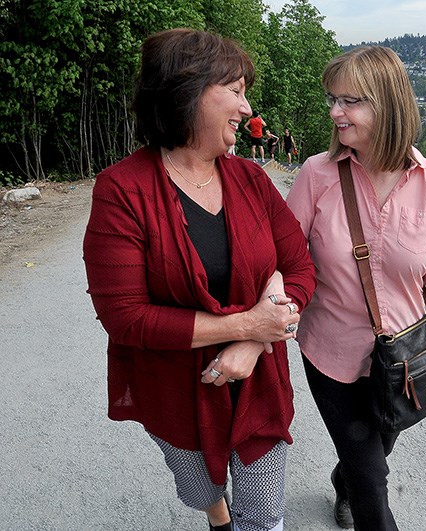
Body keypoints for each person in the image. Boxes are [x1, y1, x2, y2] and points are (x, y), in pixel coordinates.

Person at [82, 28, 316, 531]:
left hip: (259, 384)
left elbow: (299, 267)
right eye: (234, 90)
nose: (246, 106)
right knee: (198, 486)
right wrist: (248, 325)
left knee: (264, 512)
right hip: (174, 388)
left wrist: (255, 341)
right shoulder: (122, 190)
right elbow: (125, 317)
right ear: (187, 92)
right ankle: (217, 518)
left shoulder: (251, 180)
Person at [286, 45, 426, 530]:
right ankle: (357, 489)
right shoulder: (318, 175)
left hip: (399, 361)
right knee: (373, 480)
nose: (336, 112)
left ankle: (344, 479)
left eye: (350, 101)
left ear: (388, 104)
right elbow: (285, 257)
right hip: (330, 353)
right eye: (332, 100)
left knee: (373, 452)